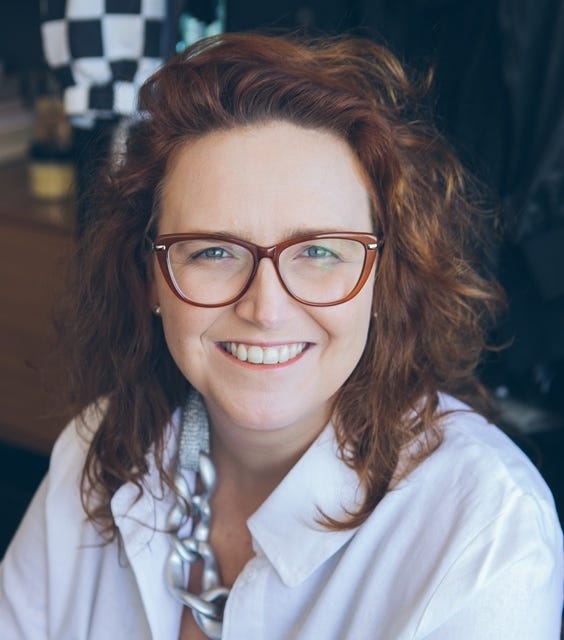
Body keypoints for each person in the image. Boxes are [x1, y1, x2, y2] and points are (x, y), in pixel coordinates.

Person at [1, 32, 562, 639]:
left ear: (383, 279)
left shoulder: (483, 530)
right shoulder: (96, 444)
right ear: (151, 279)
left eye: (318, 251)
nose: (266, 309)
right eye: (214, 251)